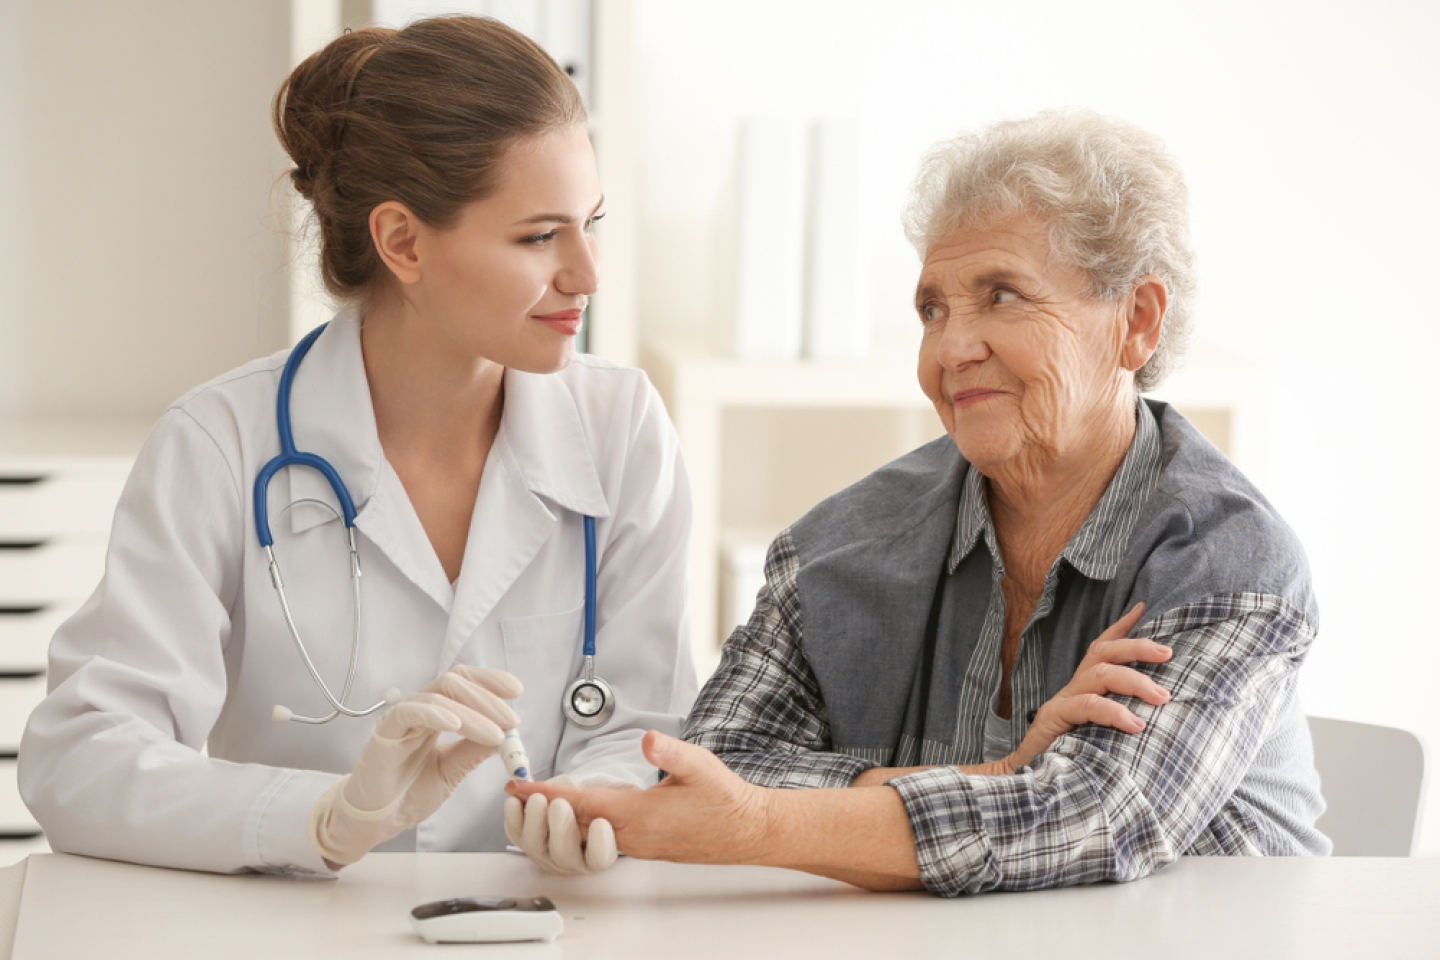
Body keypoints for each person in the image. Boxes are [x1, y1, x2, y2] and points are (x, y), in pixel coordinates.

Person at [509, 109, 1329, 895]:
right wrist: (1000, 778)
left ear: (1137, 322)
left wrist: (768, 821)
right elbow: (718, 764)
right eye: (933, 309)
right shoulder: (838, 547)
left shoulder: (1226, 557)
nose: (950, 349)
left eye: (1002, 295)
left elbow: (1099, 815)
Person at [19, 16, 696, 878]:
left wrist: (593, 799)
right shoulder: (220, 443)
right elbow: (82, 761)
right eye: (539, 236)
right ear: (403, 241)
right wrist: (323, 819)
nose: (588, 273)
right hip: (292, 928)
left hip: (543, 923)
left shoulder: (623, 428)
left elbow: (646, 726)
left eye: (591, 221)